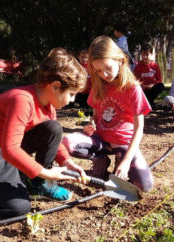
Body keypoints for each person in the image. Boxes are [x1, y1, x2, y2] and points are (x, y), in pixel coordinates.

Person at [0, 49, 88, 217]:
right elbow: (10, 150)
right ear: (56, 86)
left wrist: (67, 162)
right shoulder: (22, 100)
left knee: (54, 128)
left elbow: (50, 138)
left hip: (7, 145)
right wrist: (47, 173)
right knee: (17, 208)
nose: (72, 100)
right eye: (71, 94)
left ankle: (37, 183)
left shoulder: (49, 105)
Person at [62, 36, 153, 192]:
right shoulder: (99, 87)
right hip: (100, 140)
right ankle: (100, 161)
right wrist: (91, 125)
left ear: (119, 60)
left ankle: (119, 159)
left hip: (122, 142)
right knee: (65, 143)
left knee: (145, 185)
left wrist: (126, 160)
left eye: (107, 67)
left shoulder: (132, 89)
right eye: (98, 71)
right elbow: (95, 117)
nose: (103, 74)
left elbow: (139, 128)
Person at [133, 43, 165, 109]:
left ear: (151, 54)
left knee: (161, 86)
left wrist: (153, 85)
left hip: (152, 88)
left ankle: (148, 100)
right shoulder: (138, 66)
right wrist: (141, 85)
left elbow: (159, 79)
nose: (144, 57)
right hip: (143, 88)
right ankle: (148, 102)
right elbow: (134, 79)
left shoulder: (155, 66)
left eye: (147, 55)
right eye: (143, 55)